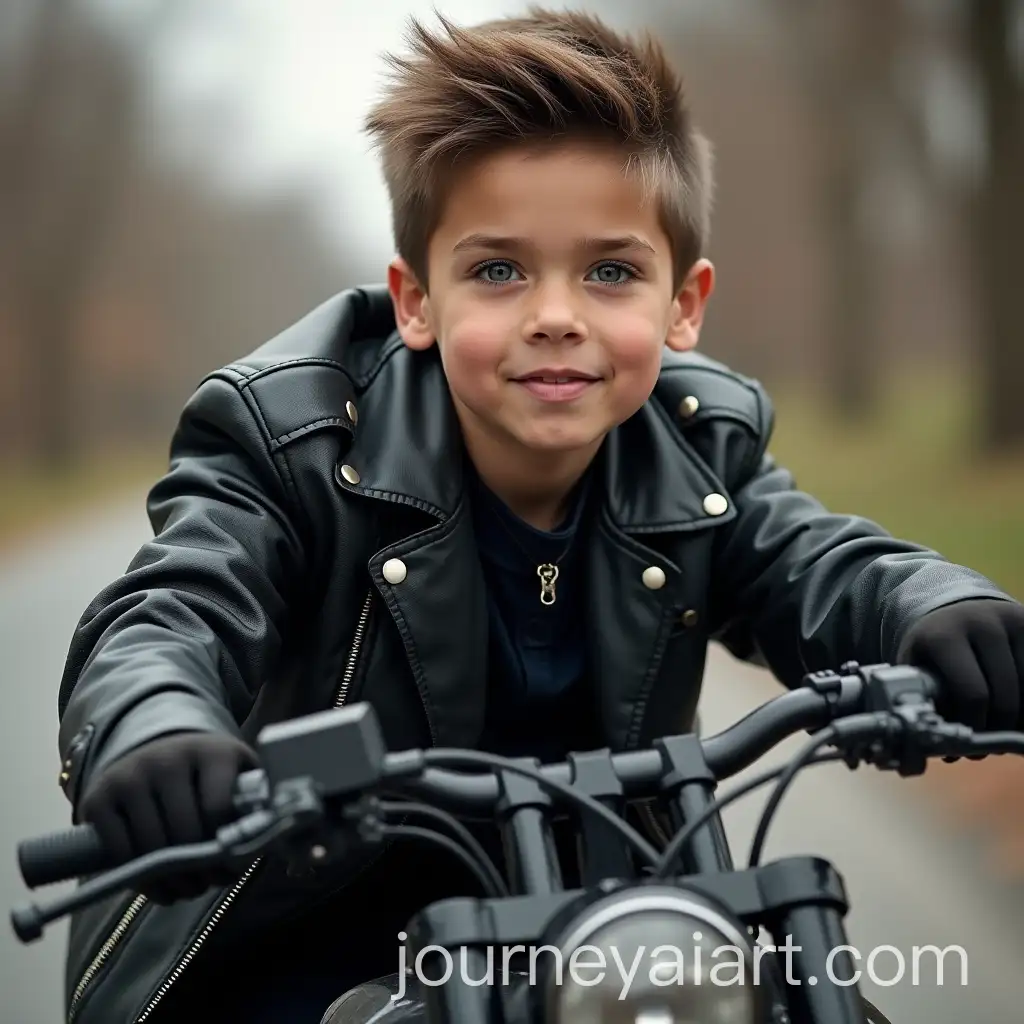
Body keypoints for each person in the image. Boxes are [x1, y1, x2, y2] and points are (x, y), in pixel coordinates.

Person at [54, 8, 1024, 1024]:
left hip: (605, 925)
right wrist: (150, 724)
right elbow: (168, 612)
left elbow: (813, 558)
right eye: (498, 270)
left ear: (681, 305)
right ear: (416, 299)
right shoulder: (289, 438)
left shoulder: (698, 449)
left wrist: (934, 605)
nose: (554, 312)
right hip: (303, 932)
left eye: (609, 271)